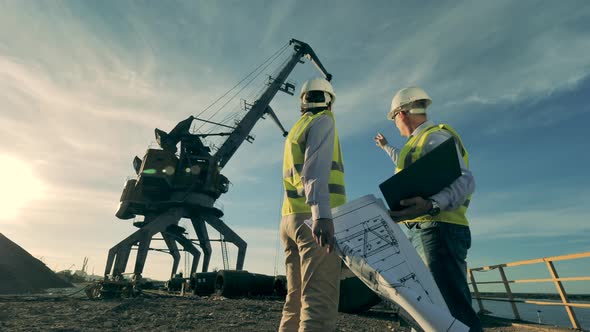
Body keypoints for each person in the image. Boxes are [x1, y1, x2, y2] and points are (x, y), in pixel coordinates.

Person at [374, 86, 482, 331]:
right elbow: (406, 162)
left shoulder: (435, 137)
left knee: (454, 311)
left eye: (394, 119)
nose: (395, 124)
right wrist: (385, 147)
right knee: (429, 309)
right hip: (424, 230)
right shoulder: (415, 145)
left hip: (439, 230)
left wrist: (432, 205)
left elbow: (466, 181)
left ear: (401, 114)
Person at [279, 77, 346, 332]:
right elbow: (314, 170)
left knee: (294, 301)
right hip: (312, 221)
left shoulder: (297, 129)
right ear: (330, 103)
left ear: (302, 103)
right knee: (319, 304)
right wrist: (322, 215)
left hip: (289, 220)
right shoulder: (324, 121)